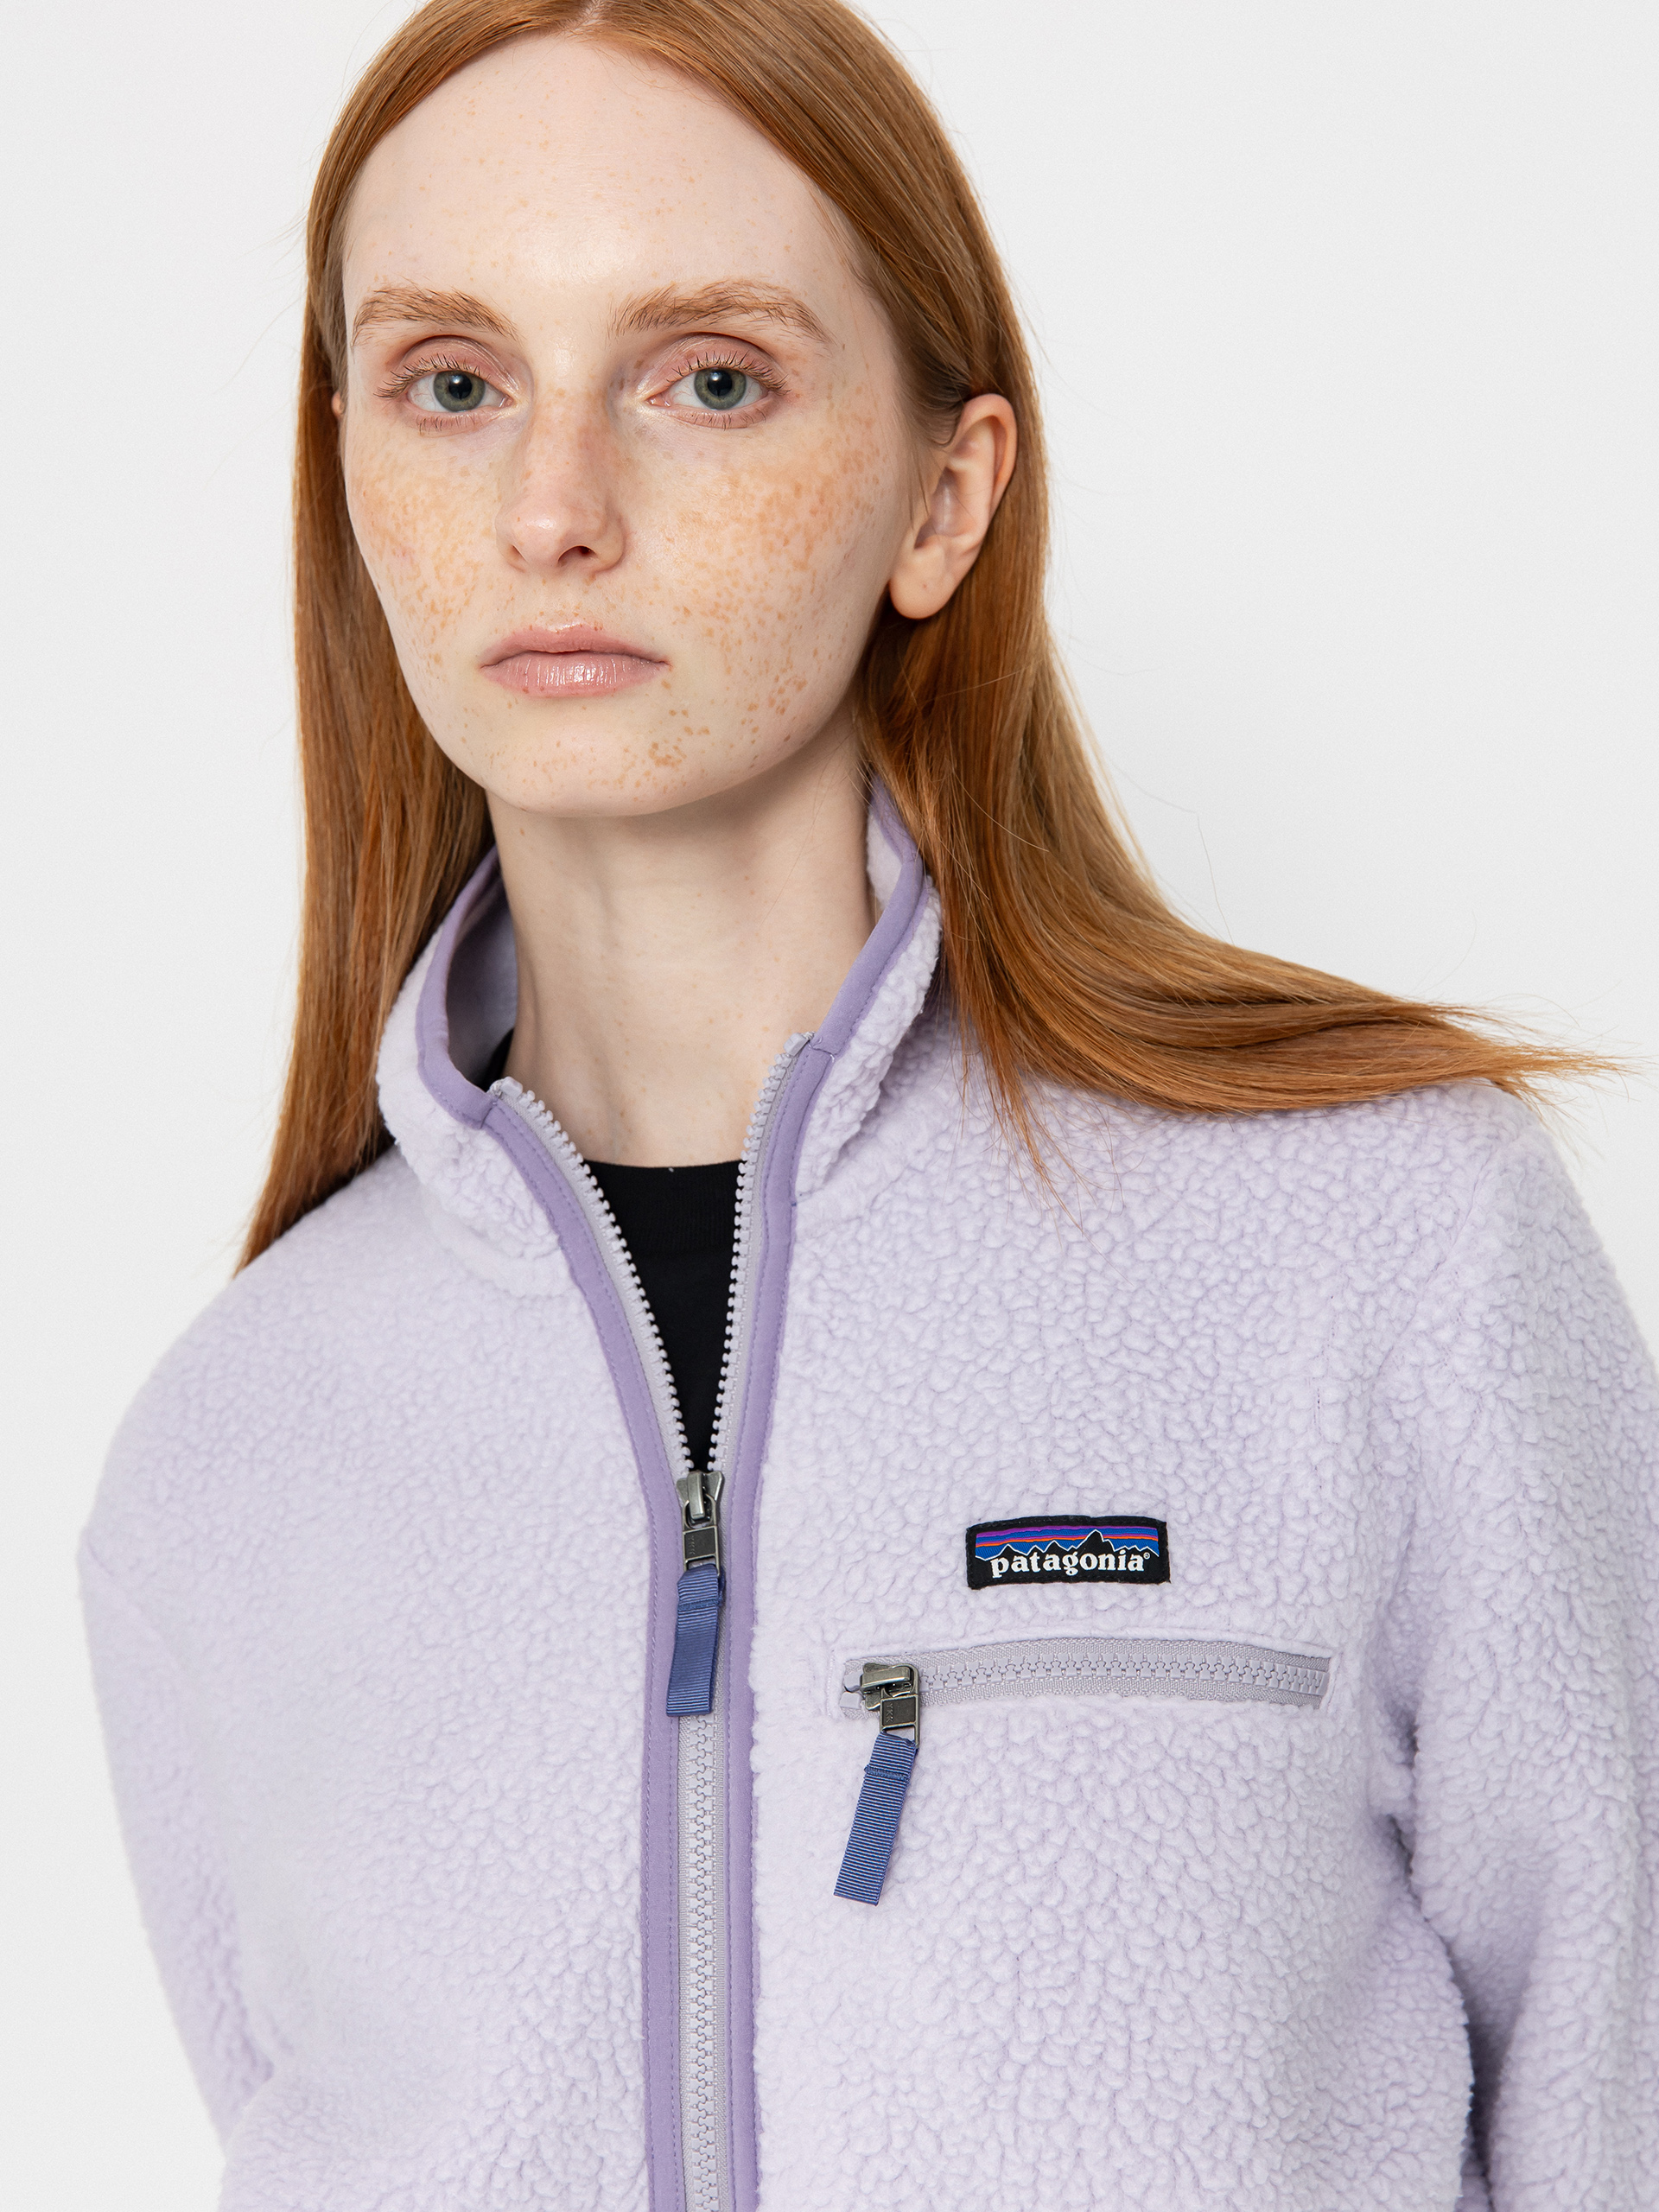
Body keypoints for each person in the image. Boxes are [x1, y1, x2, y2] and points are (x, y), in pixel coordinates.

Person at [81, 3, 1658, 2207]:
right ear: (345, 476)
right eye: (453, 383)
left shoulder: (1386, 1249)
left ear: (945, 495)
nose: (553, 509)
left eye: (708, 379)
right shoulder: (230, 1458)